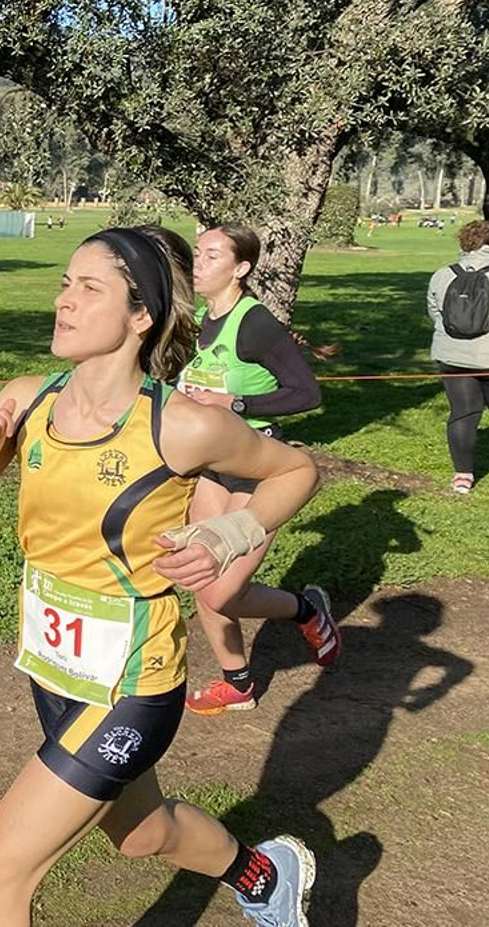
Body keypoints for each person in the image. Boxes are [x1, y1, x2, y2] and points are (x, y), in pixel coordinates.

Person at [0, 225, 319, 927]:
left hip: (132, 684)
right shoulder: (28, 399)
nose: (64, 302)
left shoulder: (181, 426)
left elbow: (296, 470)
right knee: (142, 833)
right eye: (64, 285)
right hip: (53, 669)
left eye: (88, 288)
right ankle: (265, 875)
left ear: (141, 315)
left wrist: (229, 534)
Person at [176, 224, 336, 716]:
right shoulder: (203, 320)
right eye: (196, 254)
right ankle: (238, 683)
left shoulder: (256, 324)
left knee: (223, 592)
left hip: (259, 465)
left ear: (241, 268)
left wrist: (235, 401)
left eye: (211, 256)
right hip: (212, 466)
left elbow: (308, 393)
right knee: (201, 578)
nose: (197, 263)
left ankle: (307, 610)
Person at [428, 218, 489, 495]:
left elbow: (435, 313)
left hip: (451, 356)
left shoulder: (442, 274)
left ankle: (462, 477)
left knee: (463, 413)